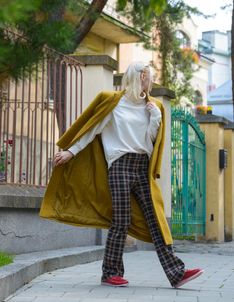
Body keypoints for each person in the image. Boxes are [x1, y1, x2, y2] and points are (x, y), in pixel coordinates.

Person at [49, 61, 204, 288]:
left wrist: (155, 119)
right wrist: (71, 152)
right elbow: (91, 129)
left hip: (142, 166)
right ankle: (110, 273)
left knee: (156, 219)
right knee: (120, 220)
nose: (152, 81)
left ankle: (176, 273)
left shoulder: (152, 107)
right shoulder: (114, 103)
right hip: (120, 165)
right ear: (141, 76)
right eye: (150, 76)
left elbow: (150, 141)